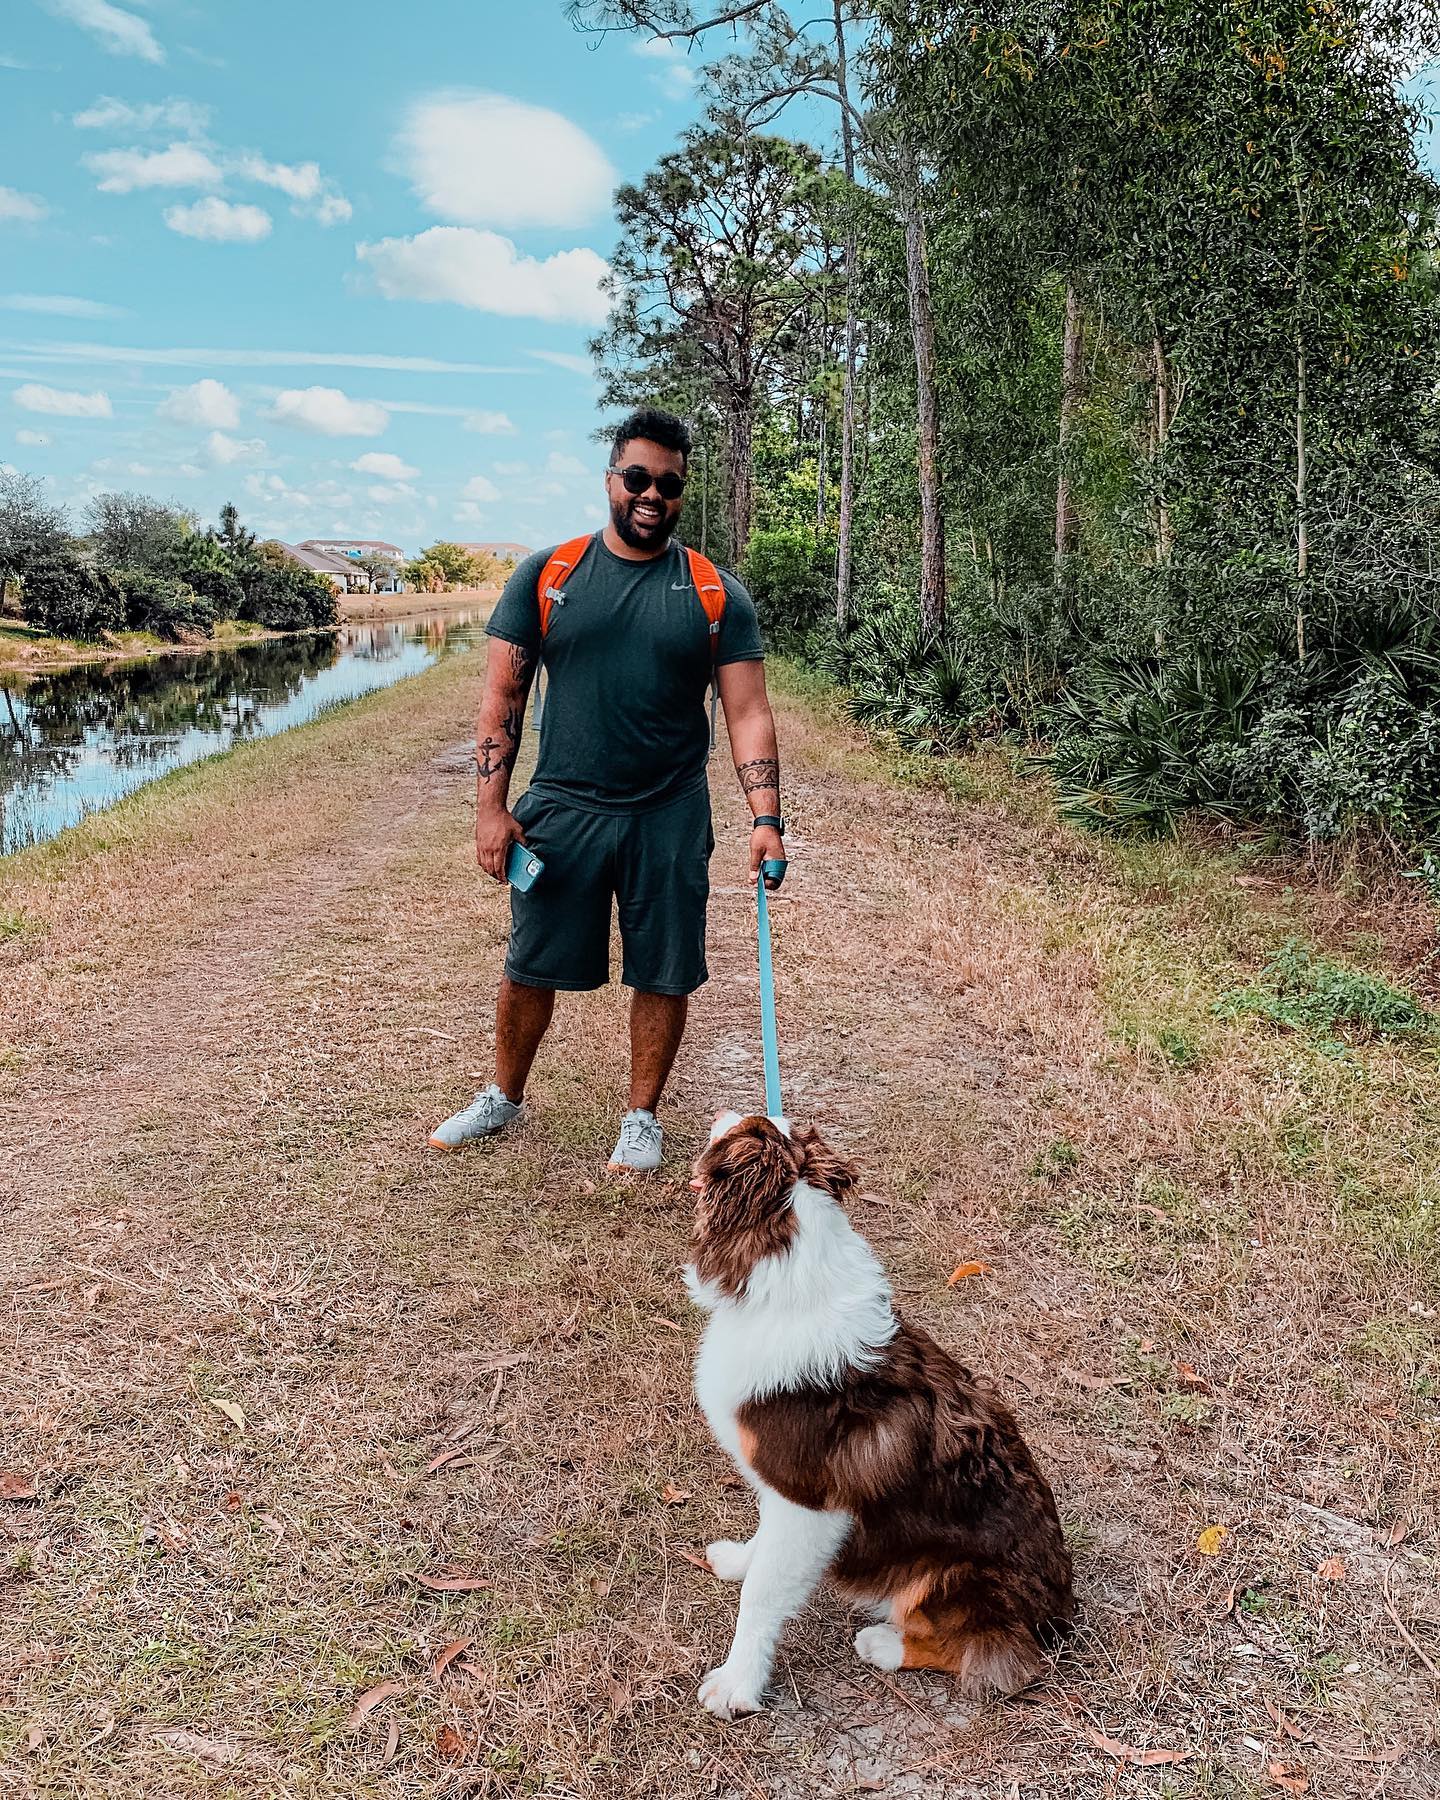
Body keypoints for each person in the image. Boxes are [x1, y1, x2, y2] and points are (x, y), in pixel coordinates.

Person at [429, 407, 785, 1172]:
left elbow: (748, 712)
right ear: (610, 480)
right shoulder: (548, 576)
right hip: (563, 808)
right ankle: (504, 1096)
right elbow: (502, 699)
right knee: (530, 963)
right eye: (637, 478)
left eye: (669, 484)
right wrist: (490, 810)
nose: (652, 494)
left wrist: (767, 819)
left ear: (682, 492)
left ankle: (641, 1117)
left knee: (664, 968)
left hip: (669, 812)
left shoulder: (715, 593)